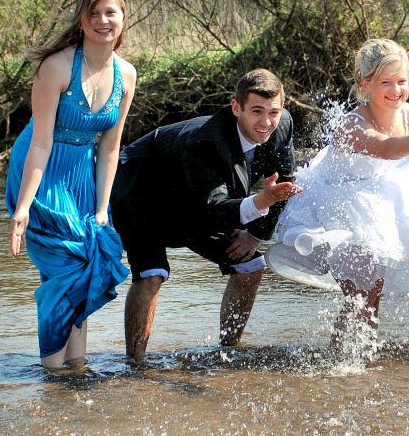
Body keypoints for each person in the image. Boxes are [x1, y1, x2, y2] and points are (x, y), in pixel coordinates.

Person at [267, 38, 409, 345]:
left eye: (402, 81)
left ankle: (363, 358)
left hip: (380, 206)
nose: (396, 90)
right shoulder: (351, 126)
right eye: (386, 82)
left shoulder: (408, 114)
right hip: (340, 209)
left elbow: (396, 156)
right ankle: (342, 361)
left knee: (373, 294)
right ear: (365, 83)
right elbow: (387, 149)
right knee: (361, 293)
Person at [112, 69, 301, 360]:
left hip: (200, 198)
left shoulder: (282, 124)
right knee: (151, 275)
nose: (266, 122)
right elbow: (213, 212)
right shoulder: (207, 141)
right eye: (256, 111)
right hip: (142, 192)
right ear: (236, 107)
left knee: (250, 265)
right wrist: (259, 201)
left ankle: (229, 353)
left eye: (273, 112)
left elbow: (285, 181)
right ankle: (135, 365)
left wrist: (255, 234)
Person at [6, 0, 137, 369]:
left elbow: (110, 147)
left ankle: (76, 364)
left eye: (109, 12)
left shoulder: (126, 75)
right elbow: (41, 143)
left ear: (122, 18)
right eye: (93, 13)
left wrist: (101, 211)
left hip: (84, 170)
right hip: (40, 169)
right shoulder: (57, 67)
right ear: (81, 20)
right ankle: (52, 369)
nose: (102, 20)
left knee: (88, 260)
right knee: (65, 270)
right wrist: (23, 208)